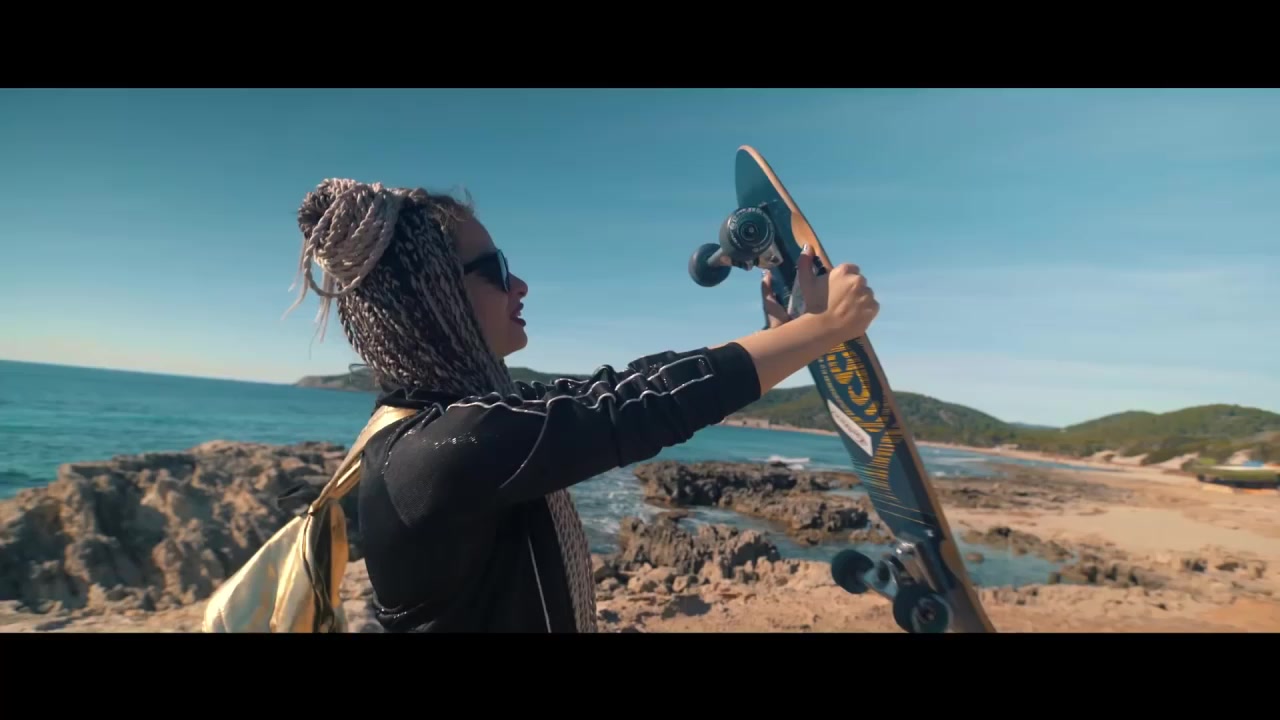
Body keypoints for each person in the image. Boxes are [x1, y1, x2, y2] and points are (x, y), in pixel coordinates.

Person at [286, 178, 880, 633]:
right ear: (431, 294)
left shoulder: (457, 423)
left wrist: (789, 335)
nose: (520, 286)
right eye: (497, 269)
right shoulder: (440, 453)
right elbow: (629, 412)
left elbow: (628, 390)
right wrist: (825, 327)